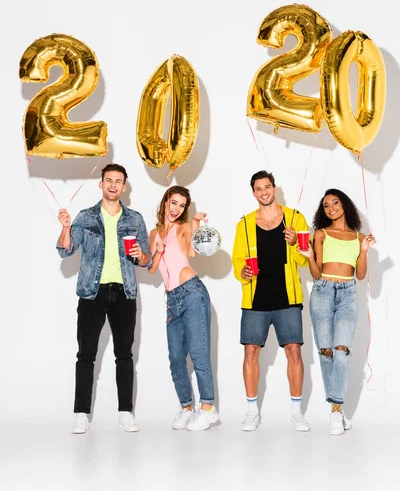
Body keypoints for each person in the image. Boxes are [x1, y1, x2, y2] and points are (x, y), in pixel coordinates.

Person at [57, 164, 151, 434]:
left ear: (124, 187)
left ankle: (126, 412)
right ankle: (81, 413)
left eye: (118, 181)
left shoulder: (134, 219)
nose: (112, 185)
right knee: (86, 354)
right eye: (108, 180)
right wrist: (65, 227)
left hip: (124, 293)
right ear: (101, 184)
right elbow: (66, 250)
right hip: (92, 293)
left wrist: (139, 256)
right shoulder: (86, 217)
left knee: (124, 354)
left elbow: (145, 260)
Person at [232, 170, 310, 432]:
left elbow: (305, 259)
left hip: (288, 298)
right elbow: (238, 262)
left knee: (294, 352)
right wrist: (242, 273)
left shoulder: (295, 218)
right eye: (258, 188)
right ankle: (251, 411)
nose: (264, 192)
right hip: (255, 300)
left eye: (267, 187)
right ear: (253, 193)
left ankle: (297, 413)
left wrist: (293, 243)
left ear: (274, 189)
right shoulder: (243, 224)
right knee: (250, 352)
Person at [300, 189, 375, 435]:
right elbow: (316, 273)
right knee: (326, 353)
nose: (330, 207)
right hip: (322, 290)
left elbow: (361, 275)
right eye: (326, 205)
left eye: (335, 202)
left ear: (345, 205)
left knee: (341, 352)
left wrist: (364, 250)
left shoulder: (358, 236)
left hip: (348, 294)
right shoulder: (320, 234)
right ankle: (337, 409)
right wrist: (309, 256)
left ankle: (335, 409)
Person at [148, 185, 219, 431]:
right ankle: (187, 407)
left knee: (198, 353)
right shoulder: (153, 233)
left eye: (182, 205)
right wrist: (157, 252)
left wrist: (197, 225)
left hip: (192, 294)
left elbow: (192, 251)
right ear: (165, 201)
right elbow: (152, 268)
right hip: (171, 300)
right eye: (174, 203)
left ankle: (208, 408)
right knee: (176, 357)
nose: (177, 209)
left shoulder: (184, 228)